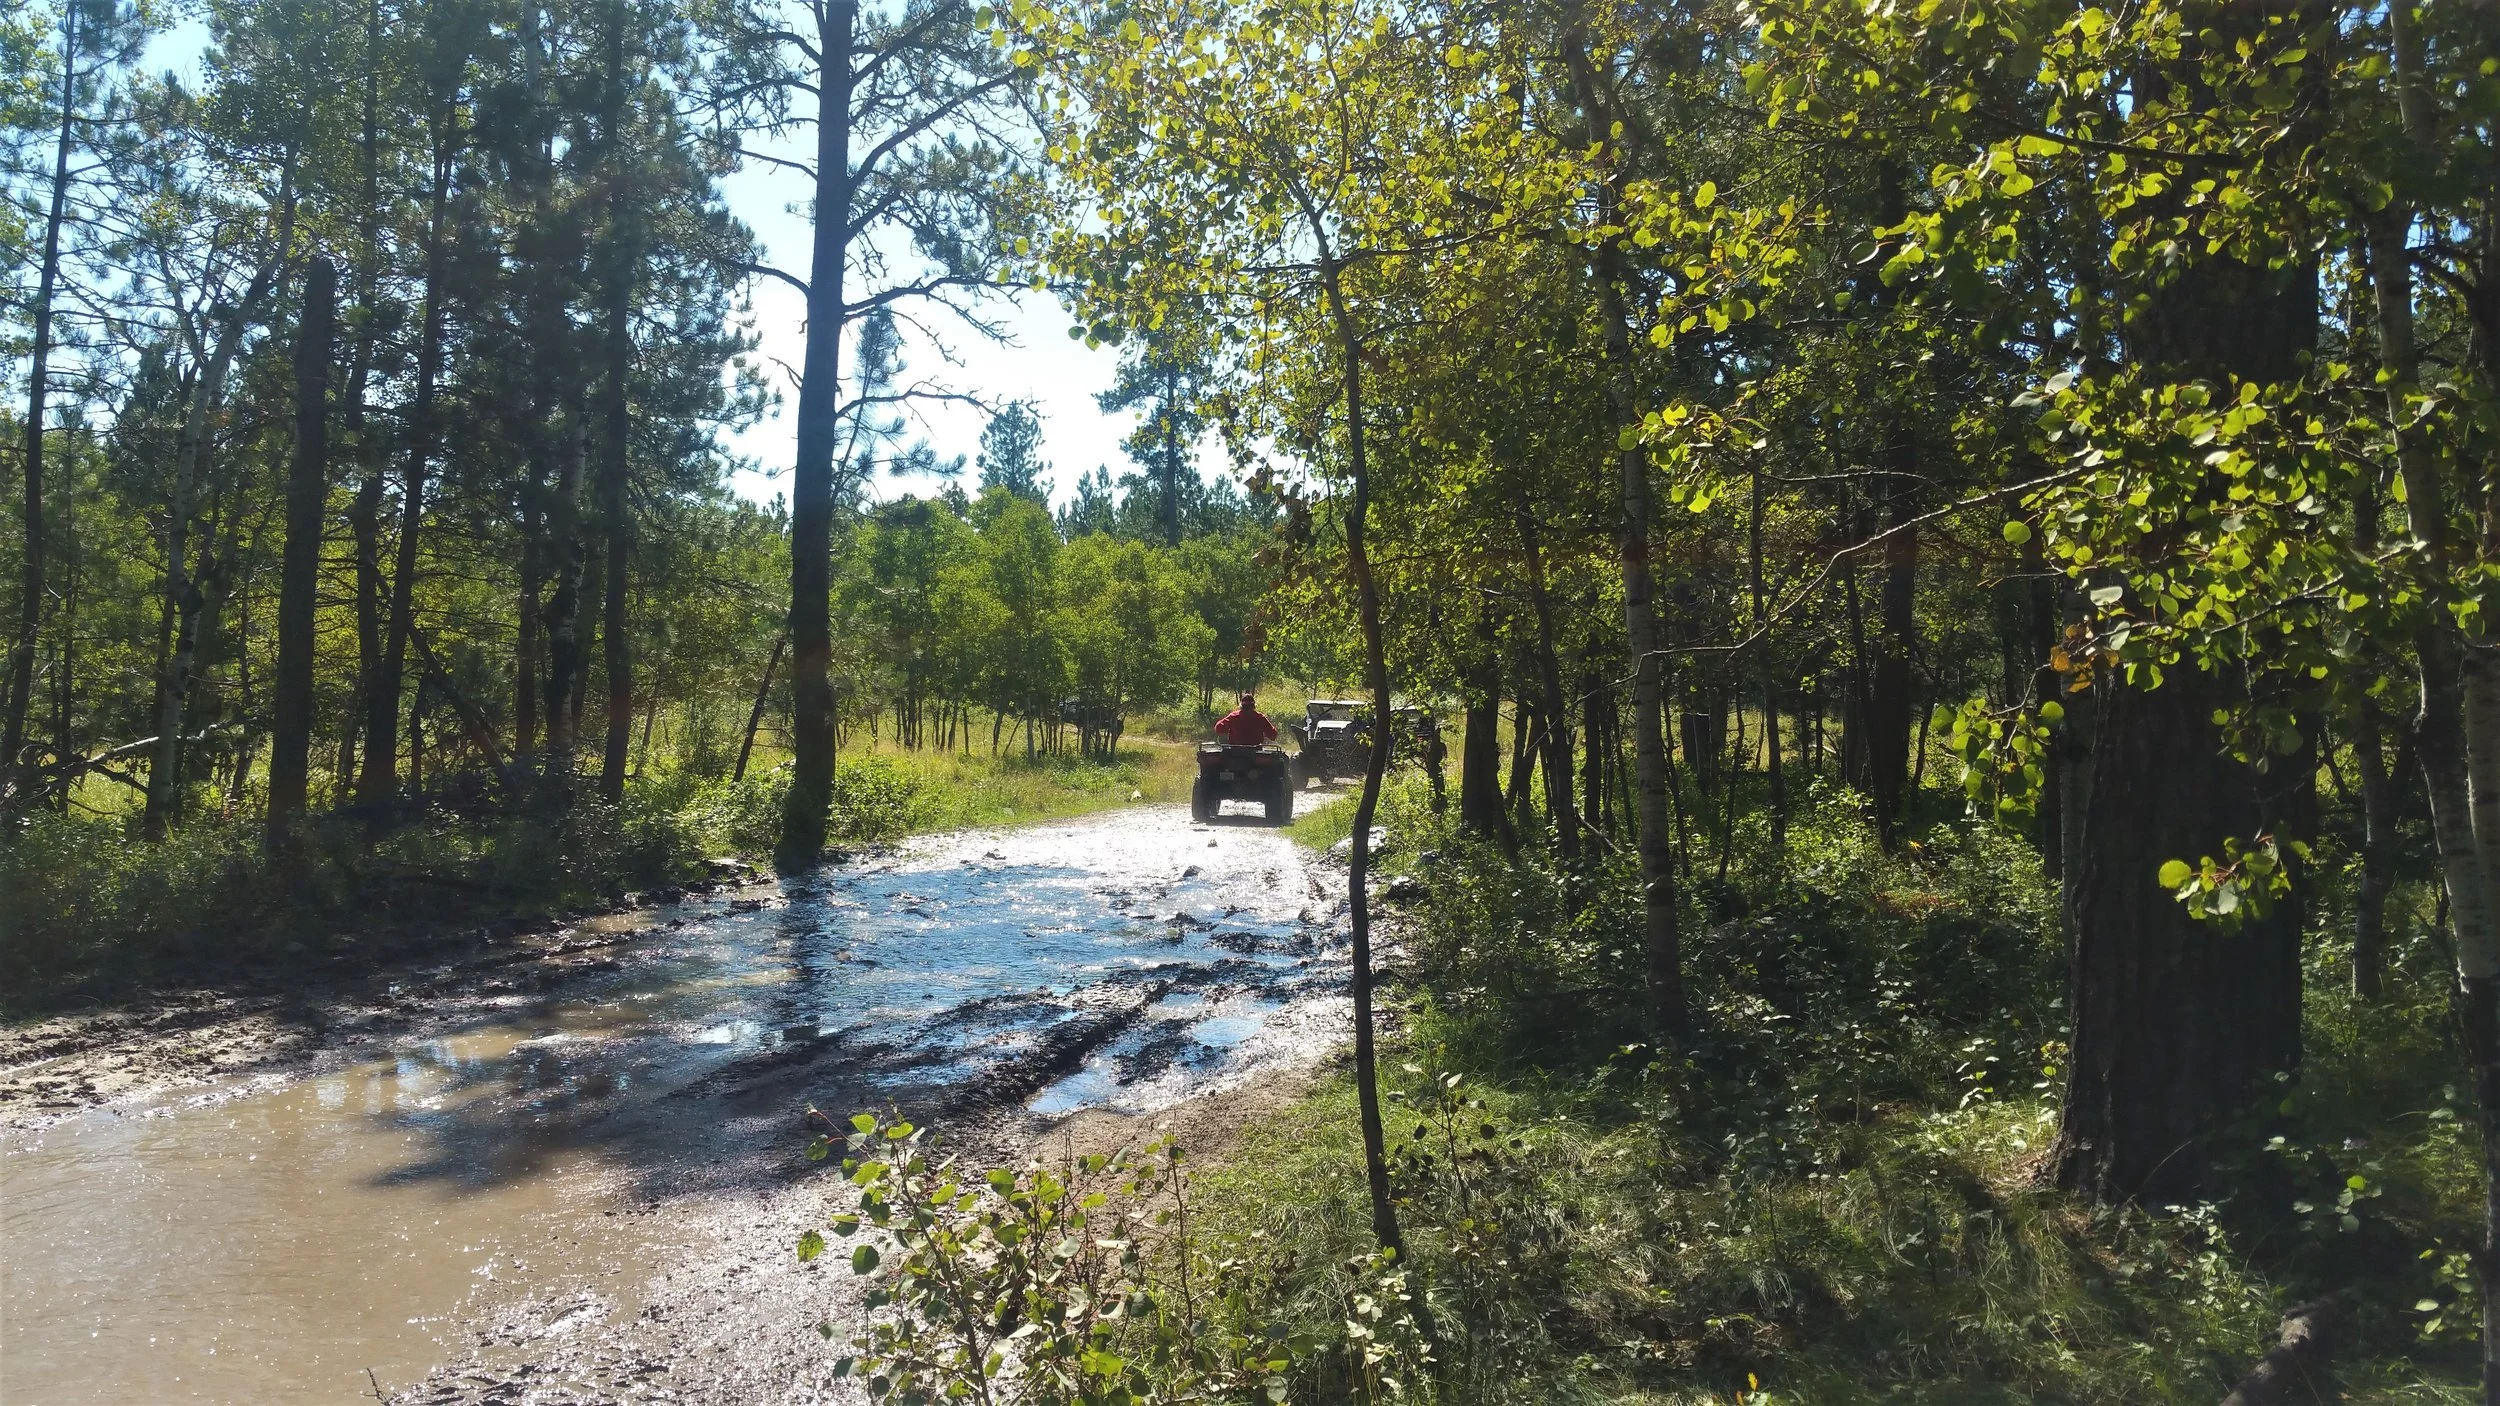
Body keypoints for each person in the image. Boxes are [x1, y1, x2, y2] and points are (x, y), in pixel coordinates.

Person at [1213, 691, 1278, 747]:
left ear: (1241, 706)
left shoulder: (1233, 716)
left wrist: (1227, 730)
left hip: (1235, 752)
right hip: (1255, 753)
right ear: (1253, 706)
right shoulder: (1260, 717)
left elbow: (1218, 728)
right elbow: (1273, 735)